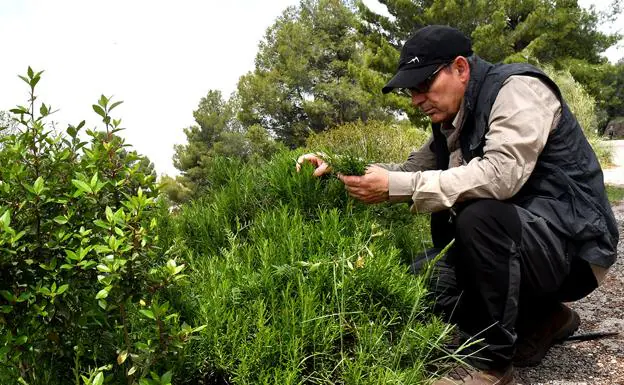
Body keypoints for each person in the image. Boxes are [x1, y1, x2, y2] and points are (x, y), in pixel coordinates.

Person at [297, 25, 619, 385]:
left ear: (461, 68)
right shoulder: (451, 119)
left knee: (478, 214)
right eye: (411, 90)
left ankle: (492, 365)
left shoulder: (518, 90)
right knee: (426, 281)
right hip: (524, 243)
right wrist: (340, 167)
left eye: (423, 85)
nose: (416, 99)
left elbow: (500, 175)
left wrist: (396, 188)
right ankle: (545, 317)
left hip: (574, 250)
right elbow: (406, 172)